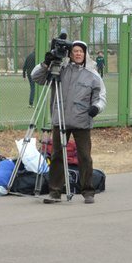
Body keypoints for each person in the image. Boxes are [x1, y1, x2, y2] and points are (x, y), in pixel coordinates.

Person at [31, 40, 106, 204]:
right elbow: (36, 77)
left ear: (85, 54)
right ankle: (55, 191)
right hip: (60, 119)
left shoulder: (93, 74)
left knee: (85, 156)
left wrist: (96, 108)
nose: (78, 54)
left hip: (82, 121)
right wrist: (46, 63)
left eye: (81, 51)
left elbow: (101, 97)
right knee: (57, 155)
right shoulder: (60, 70)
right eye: (75, 51)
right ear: (70, 54)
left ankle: (88, 191)